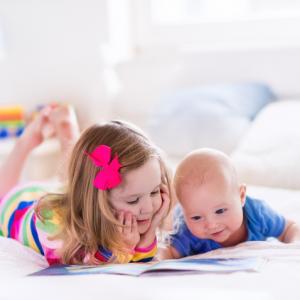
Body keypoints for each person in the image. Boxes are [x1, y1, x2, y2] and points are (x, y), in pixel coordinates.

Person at [0, 105, 173, 265]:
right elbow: (86, 266)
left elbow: (143, 261)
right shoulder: (54, 227)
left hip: (64, 194)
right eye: (133, 200)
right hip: (17, 207)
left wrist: (151, 229)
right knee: (3, 197)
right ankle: (25, 143)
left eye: (154, 191)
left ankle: (68, 134)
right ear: (97, 201)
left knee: (72, 182)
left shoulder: (131, 209)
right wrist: (124, 247)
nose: (149, 207)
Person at [160, 148, 300, 259]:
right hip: (177, 215)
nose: (211, 225)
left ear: (241, 196)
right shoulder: (186, 230)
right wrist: (158, 258)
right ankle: (172, 203)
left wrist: (295, 244)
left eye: (220, 211)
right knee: (167, 222)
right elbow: (168, 252)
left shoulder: (258, 214)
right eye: (196, 217)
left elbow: (290, 228)